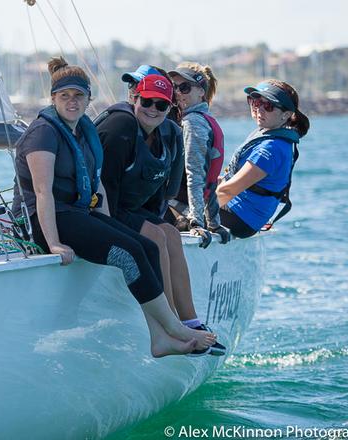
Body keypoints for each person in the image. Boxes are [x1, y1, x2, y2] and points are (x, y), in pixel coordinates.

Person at [11, 57, 216, 357]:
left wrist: (111, 227)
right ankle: (173, 327)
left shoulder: (82, 130)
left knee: (144, 246)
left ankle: (159, 337)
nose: (72, 102)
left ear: (88, 99)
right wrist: (53, 244)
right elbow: (42, 192)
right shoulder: (44, 132)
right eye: (64, 96)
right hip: (45, 220)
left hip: (75, 214)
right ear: (52, 98)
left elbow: (97, 186)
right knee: (129, 253)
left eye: (78, 96)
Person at [96, 68, 225, 356]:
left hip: (130, 208)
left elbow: (161, 196)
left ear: (171, 107)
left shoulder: (170, 133)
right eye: (147, 102)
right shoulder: (119, 129)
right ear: (135, 99)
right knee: (155, 234)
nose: (153, 110)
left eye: (162, 104)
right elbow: (105, 192)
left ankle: (190, 321)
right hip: (106, 208)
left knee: (170, 233)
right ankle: (170, 328)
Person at [216, 79, 310, 237]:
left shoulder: (270, 148)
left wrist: (195, 215)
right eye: (256, 102)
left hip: (241, 219)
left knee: (171, 208)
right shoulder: (268, 133)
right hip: (240, 212)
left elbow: (228, 190)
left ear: (286, 114)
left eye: (268, 106)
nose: (259, 109)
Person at [167, 63, 231, 247]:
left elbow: (195, 176)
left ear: (201, 92)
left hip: (185, 209)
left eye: (184, 88)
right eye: (175, 88)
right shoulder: (207, 119)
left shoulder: (192, 123)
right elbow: (208, 181)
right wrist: (214, 224)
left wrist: (197, 223)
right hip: (199, 208)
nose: (178, 93)